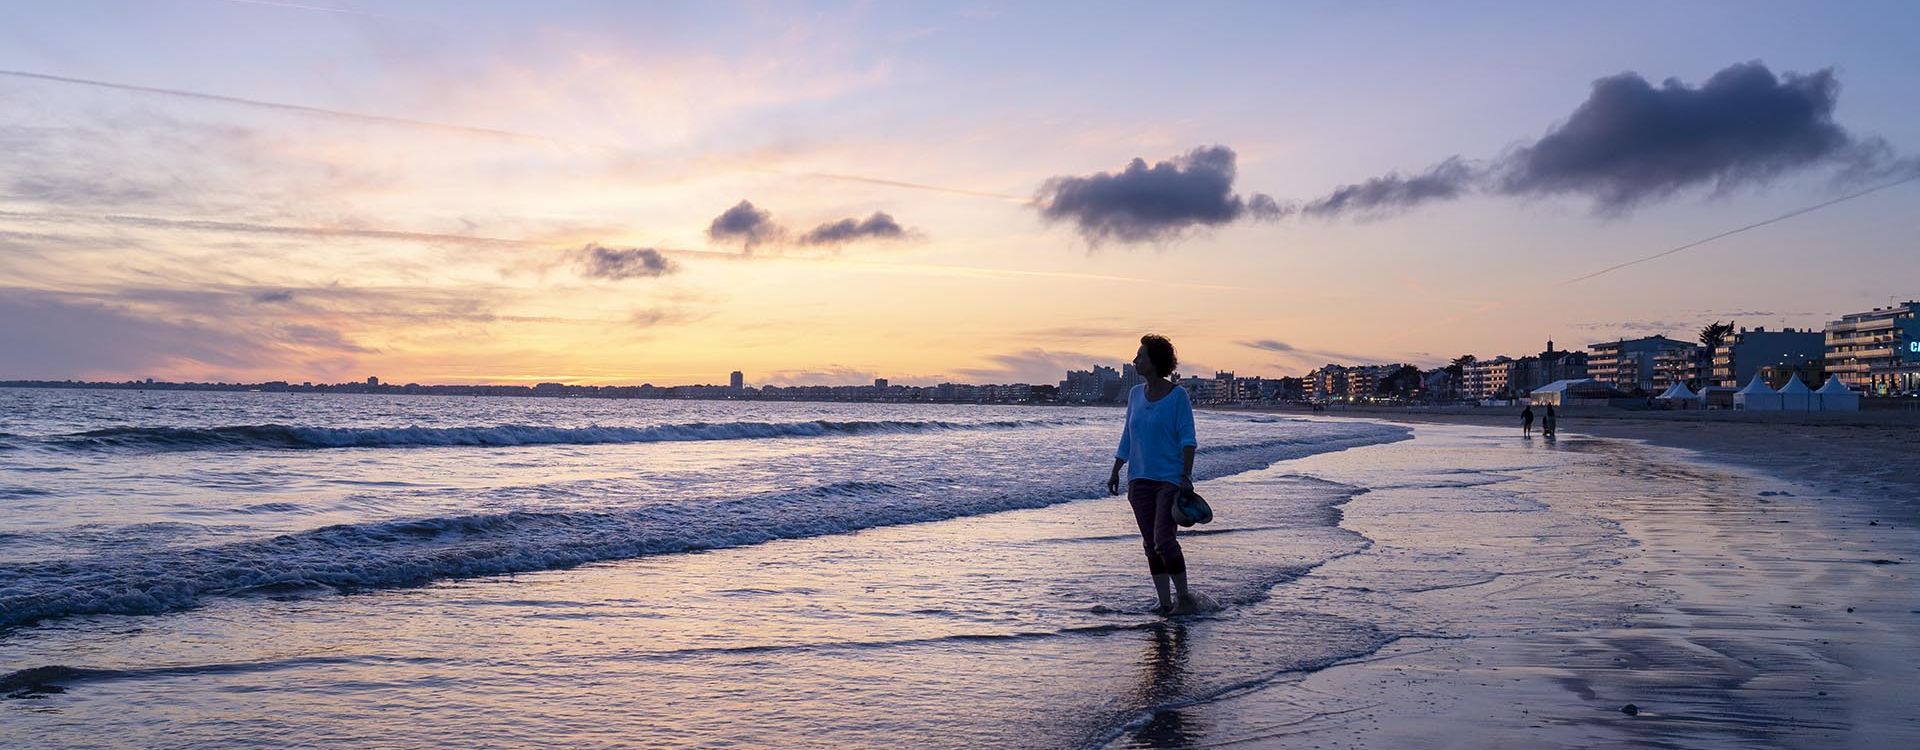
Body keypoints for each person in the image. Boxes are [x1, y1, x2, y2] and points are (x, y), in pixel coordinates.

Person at [1107, 334, 1199, 615]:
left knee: (1164, 539)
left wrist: (1185, 476)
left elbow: (1188, 439)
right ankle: (1164, 603)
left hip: (1169, 480)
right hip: (1139, 479)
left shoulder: (1177, 396)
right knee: (1150, 545)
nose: (1135, 361)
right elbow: (1128, 436)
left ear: (1156, 362)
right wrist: (1116, 470)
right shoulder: (1135, 395)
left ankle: (1183, 598)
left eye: (1140, 356)